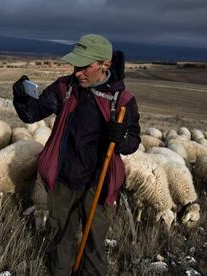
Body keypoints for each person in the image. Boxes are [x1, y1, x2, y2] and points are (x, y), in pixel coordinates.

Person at [13, 34, 140, 276]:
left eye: (85, 66)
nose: (78, 72)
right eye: (76, 65)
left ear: (105, 64)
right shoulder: (64, 88)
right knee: (61, 239)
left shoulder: (123, 100)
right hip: (64, 181)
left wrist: (121, 138)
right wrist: (21, 97)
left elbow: (133, 142)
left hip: (98, 185)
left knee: (94, 246)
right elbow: (32, 114)